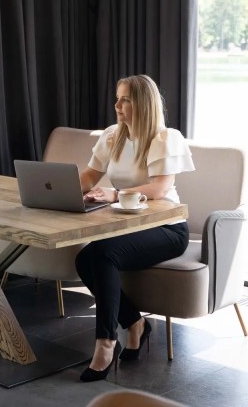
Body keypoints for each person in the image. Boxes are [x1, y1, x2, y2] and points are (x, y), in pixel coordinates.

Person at [76, 74, 195, 382]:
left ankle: (105, 342)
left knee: (101, 253)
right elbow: (89, 176)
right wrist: (59, 188)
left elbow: (159, 189)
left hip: (167, 229)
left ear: (143, 104)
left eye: (125, 100)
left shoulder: (165, 138)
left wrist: (114, 194)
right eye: (117, 98)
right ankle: (134, 323)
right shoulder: (112, 135)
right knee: (84, 258)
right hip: (128, 227)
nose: (117, 105)